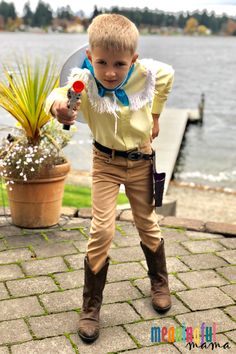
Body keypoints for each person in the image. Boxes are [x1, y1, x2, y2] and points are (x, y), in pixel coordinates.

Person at [45, 13, 174, 343]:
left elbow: (168, 75)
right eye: (101, 62)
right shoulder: (81, 82)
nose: (111, 72)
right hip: (104, 162)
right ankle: (91, 306)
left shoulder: (148, 74)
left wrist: (155, 116)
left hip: (141, 159)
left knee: (147, 222)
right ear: (89, 57)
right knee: (101, 228)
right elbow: (58, 95)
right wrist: (59, 107)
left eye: (120, 63)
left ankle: (159, 281)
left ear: (133, 59)